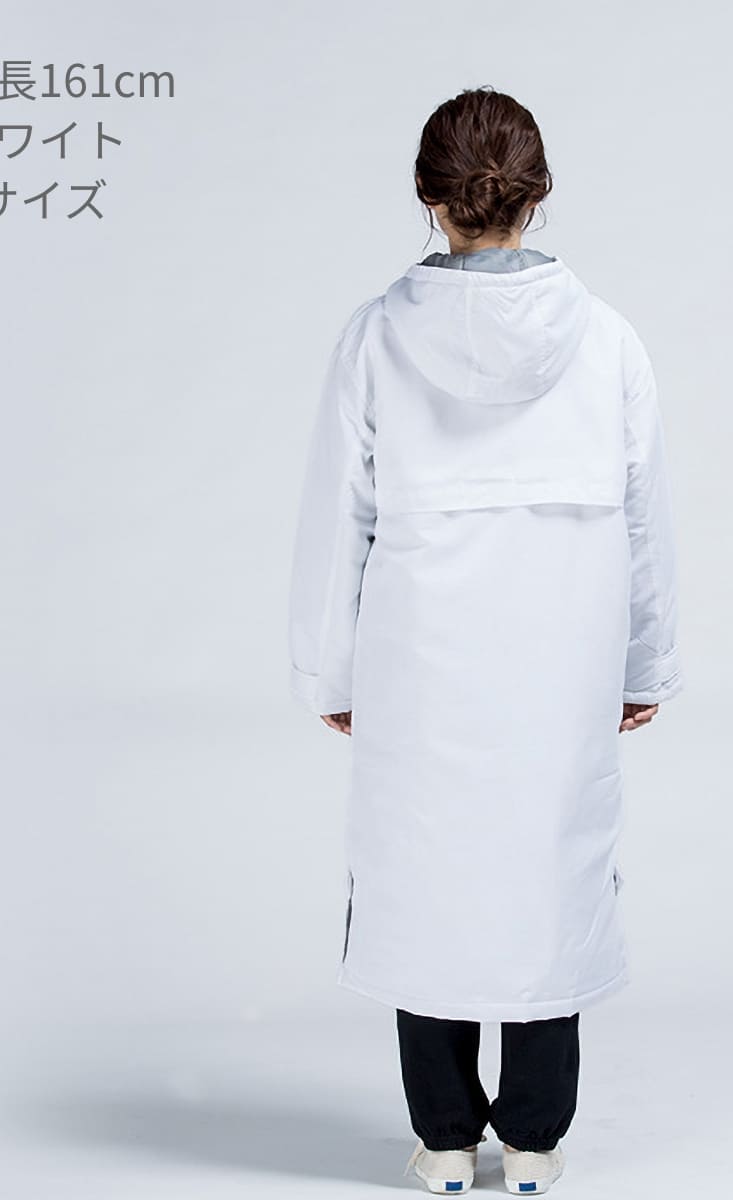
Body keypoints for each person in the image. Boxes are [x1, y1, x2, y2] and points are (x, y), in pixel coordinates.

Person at [288, 85, 682, 1194]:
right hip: (564, 650)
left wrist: (330, 668)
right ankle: (537, 1144)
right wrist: (646, 659)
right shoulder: (608, 341)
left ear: (429, 196)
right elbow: (645, 520)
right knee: (548, 865)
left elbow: (337, 517)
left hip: (420, 653)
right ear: (536, 196)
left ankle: (448, 1140)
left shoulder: (376, 337)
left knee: (429, 868)